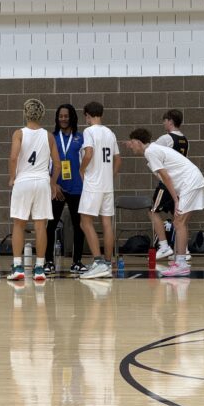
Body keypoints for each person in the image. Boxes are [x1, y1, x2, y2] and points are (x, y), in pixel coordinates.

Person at [128, 128, 204, 277]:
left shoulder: (151, 151)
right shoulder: (153, 151)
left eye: (131, 142)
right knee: (180, 223)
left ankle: (181, 264)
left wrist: (176, 200)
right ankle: (180, 260)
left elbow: (166, 178)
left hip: (190, 182)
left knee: (179, 223)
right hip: (191, 182)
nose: (130, 145)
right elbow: (166, 178)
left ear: (138, 142)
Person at [7, 99, 61, 282]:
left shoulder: (19, 133)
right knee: (41, 226)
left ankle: (17, 266)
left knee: (19, 224)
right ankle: (39, 267)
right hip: (42, 182)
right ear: (42, 115)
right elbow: (58, 164)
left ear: (25, 113)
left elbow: (14, 158)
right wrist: (53, 183)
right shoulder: (49, 136)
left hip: (23, 181)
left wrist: (12, 177)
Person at [78, 101, 121, 279]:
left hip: (93, 184)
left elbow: (88, 153)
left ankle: (98, 262)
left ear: (87, 115)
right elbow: (118, 160)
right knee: (106, 223)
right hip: (107, 185)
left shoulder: (89, 131)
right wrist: (109, 175)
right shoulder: (110, 132)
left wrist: (81, 169)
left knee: (85, 222)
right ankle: (108, 262)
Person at [44, 104, 87, 274]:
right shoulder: (51, 138)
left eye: (66, 116)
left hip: (76, 188)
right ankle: (48, 261)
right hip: (57, 188)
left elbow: (86, 162)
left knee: (79, 225)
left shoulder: (81, 138)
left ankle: (77, 261)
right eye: (60, 116)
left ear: (72, 117)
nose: (63, 119)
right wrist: (53, 184)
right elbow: (45, 164)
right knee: (51, 225)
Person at [151, 110, 190, 260]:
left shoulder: (166, 138)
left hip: (168, 182)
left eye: (164, 120)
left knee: (152, 210)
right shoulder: (186, 140)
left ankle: (164, 246)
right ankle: (184, 250)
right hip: (181, 183)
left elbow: (150, 151)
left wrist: (158, 174)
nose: (163, 123)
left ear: (170, 121)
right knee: (180, 217)